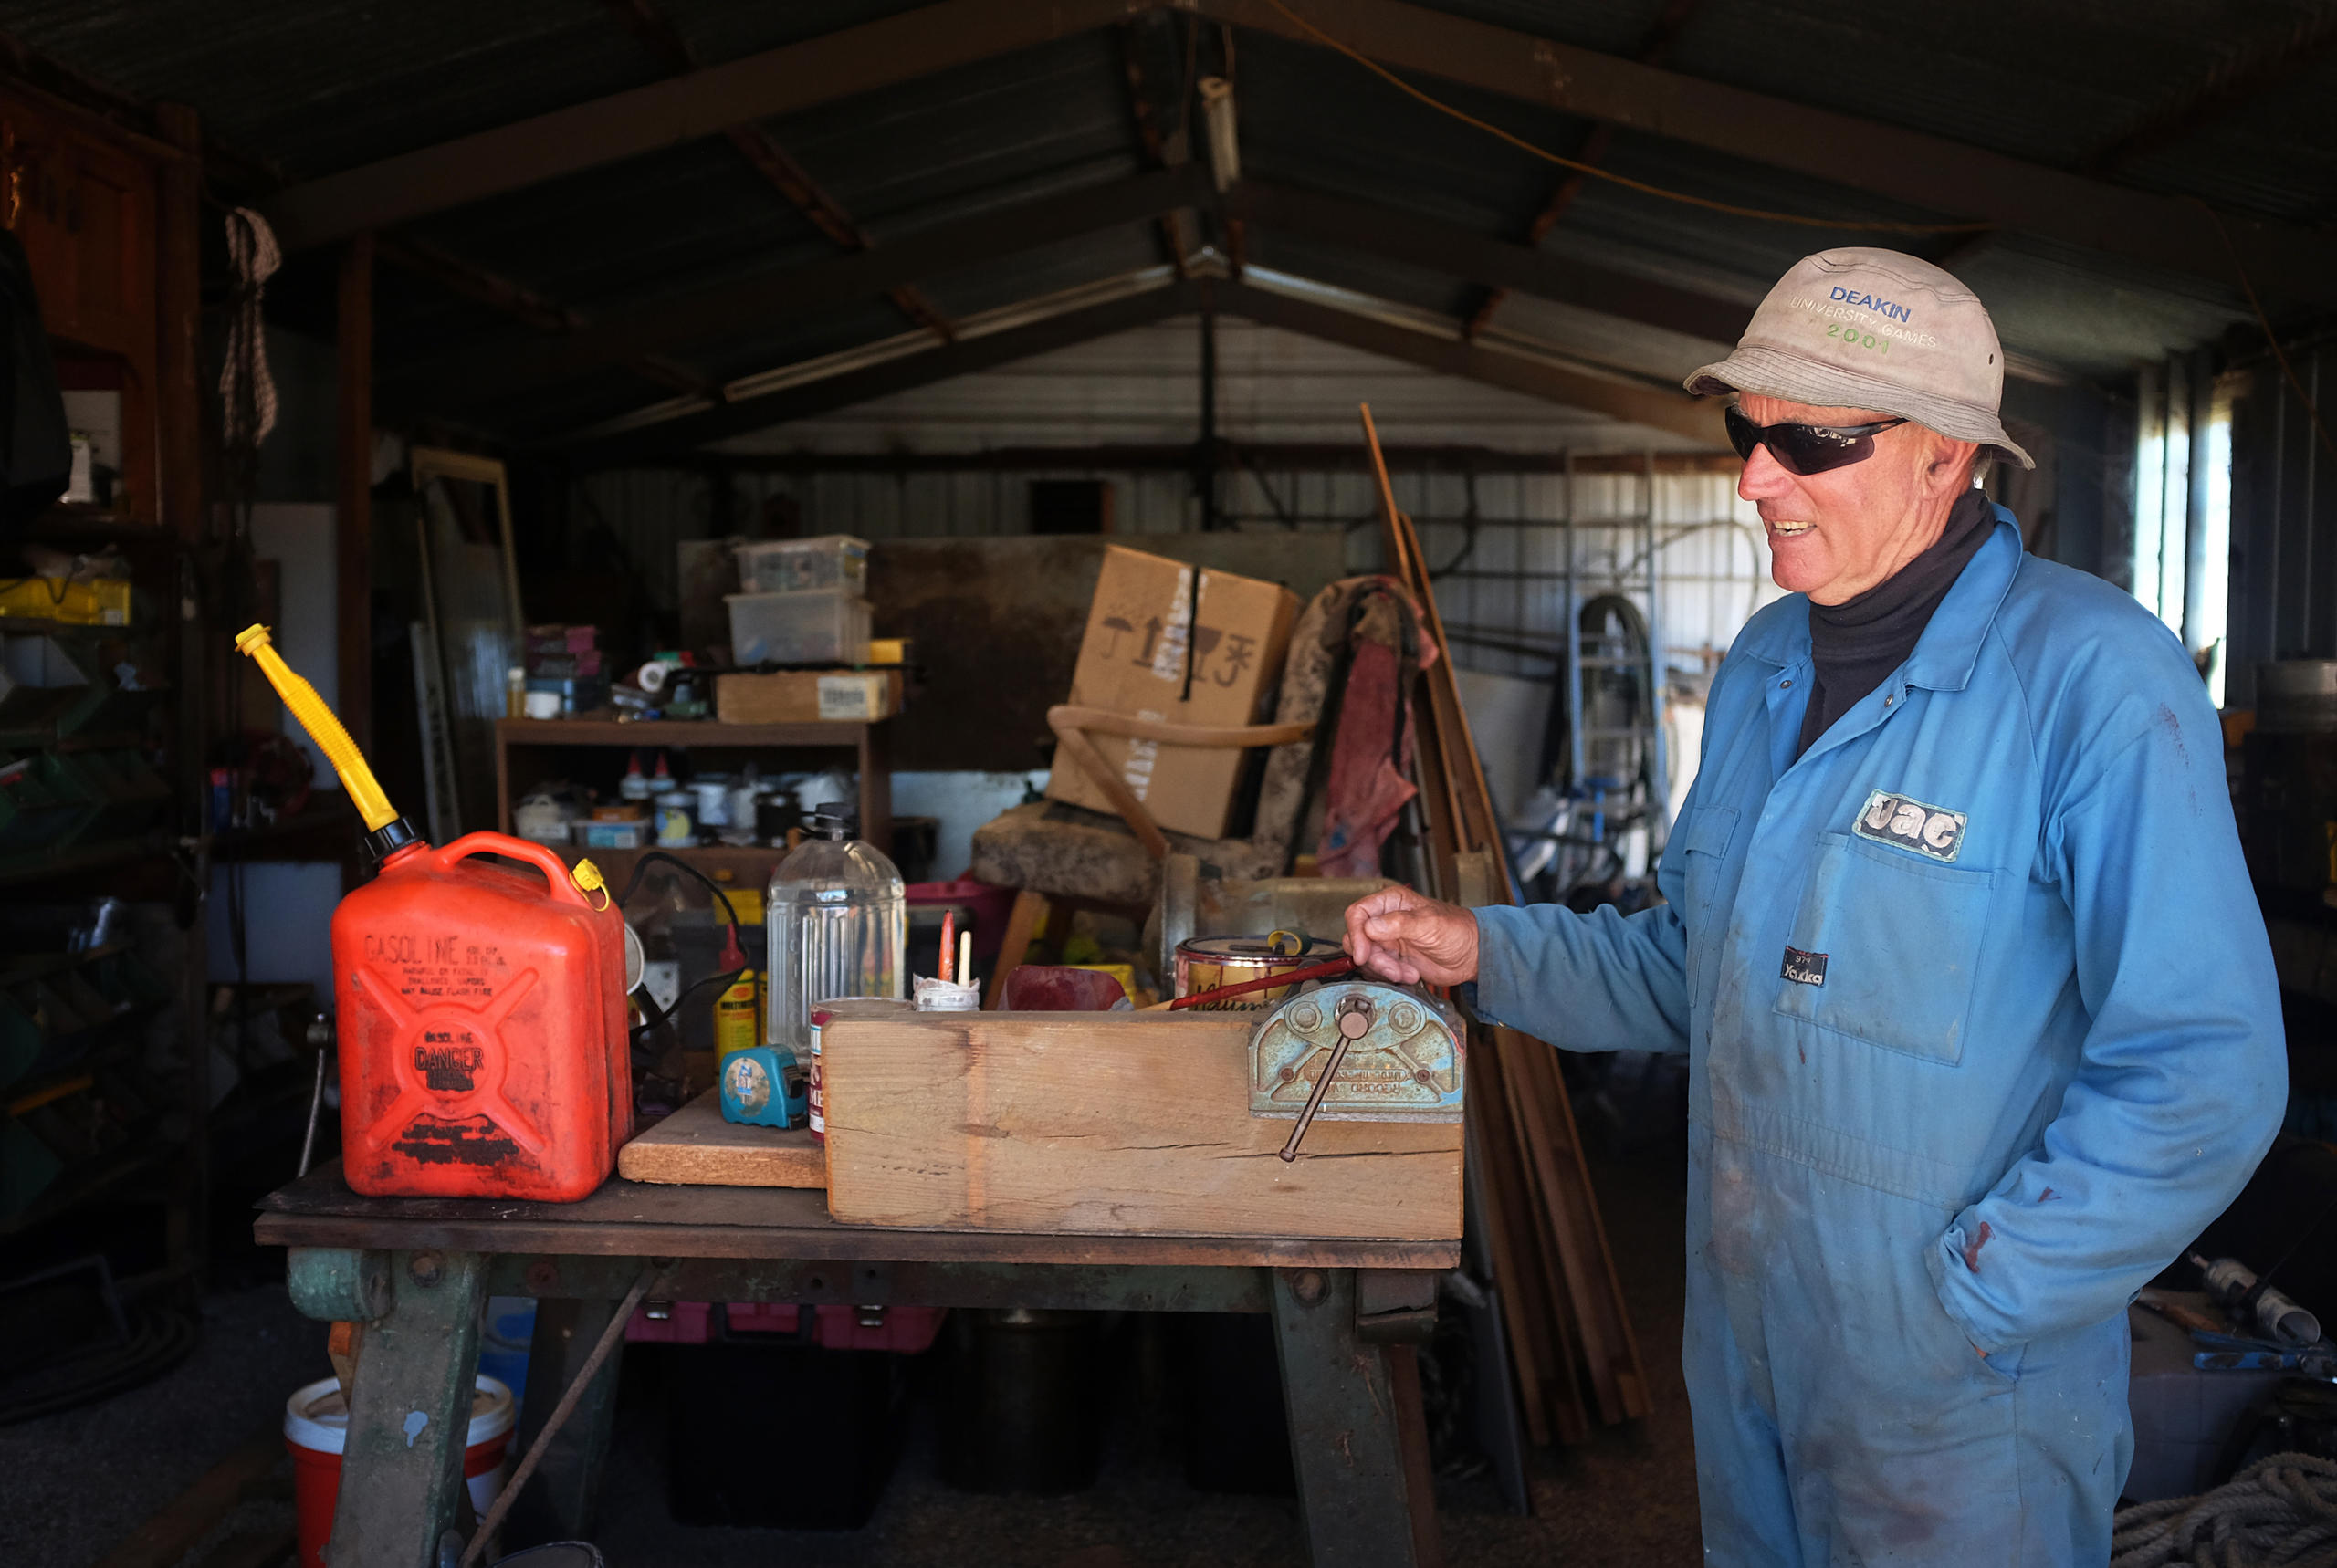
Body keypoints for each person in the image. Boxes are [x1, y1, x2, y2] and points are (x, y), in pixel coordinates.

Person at [1344, 248, 2286, 1567]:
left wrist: (1981, 1293)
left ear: (1947, 457)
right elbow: (1695, 964)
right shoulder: (1767, 666)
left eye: (1811, 439)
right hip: (1749, 1347)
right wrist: (1481, 946)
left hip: (1959, 1396)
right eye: (1745, 429)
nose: (1752, 477)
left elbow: (2205, 1071)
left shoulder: (2095, 687)